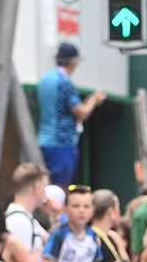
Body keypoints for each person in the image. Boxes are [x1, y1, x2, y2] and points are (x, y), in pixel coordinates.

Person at [36, 43, 106, 186]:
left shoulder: (46, 79)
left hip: (45, 141)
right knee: (59, 189)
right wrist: (93, 101)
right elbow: (82, 113)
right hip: (61, 144)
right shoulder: (65, 82)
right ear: (74, 62)